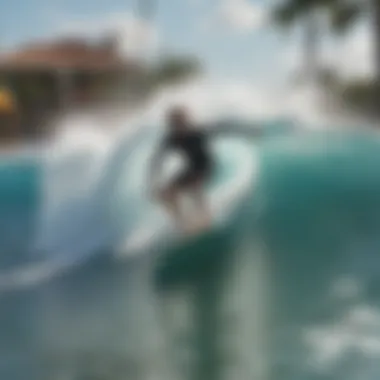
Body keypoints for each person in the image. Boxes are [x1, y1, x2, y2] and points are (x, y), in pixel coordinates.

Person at [148, 106, 214, 234]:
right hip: (190, 168)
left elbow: (207, 156)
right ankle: (182, 223)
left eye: (180, 122)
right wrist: (154, 182)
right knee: (164, 194)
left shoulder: (196, 134)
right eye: (174, 123)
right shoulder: (172, 138)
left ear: (185, 121)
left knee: (194, 186)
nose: (177, 126)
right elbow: (157, 160)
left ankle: (206, 217)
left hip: (205, 166)